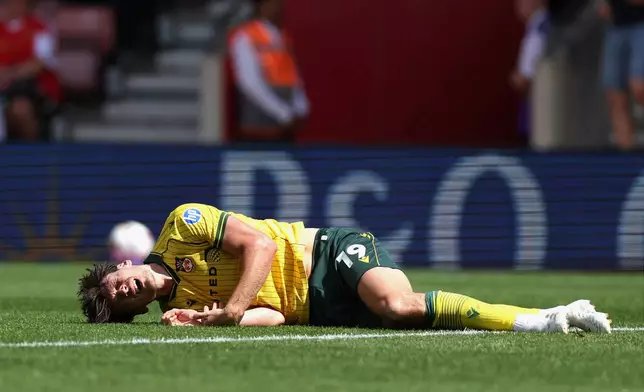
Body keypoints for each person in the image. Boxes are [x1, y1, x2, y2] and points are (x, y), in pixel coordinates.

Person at [78, 203, 611, 333]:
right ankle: (564, 313)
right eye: (122, 298)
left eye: (115, 280)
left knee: (397, 304)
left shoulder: (181, 226)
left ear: (124, 264)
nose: (124, 288)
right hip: (318, 306)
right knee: (404, 315)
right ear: (136, 307)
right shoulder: (182, 312)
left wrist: (231, 306)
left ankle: (540, 320)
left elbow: (261, 244)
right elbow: (275, 318)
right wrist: (221, 323)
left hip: (328, 251)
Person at [226, 0, 309, 143]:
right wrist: (282, 112)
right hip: (259, 117)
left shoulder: (282, 36)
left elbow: (291, 73)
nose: (278, 8)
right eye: (272, 3)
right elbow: (249, 82)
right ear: (260, 6)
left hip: (285, 119)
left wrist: (300, 105)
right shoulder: (245, 36)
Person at [0, 0, 61, 142]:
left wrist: (9, 75)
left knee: (20, 110)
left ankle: (32, 154)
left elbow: (40, 62)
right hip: (3, 88)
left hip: (30, 89)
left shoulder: (38, 27)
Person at [599, 0, 644, 150]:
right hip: (616, 26)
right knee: (615, 95)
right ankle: (627, 152)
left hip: (640, 25)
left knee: (639, 87)